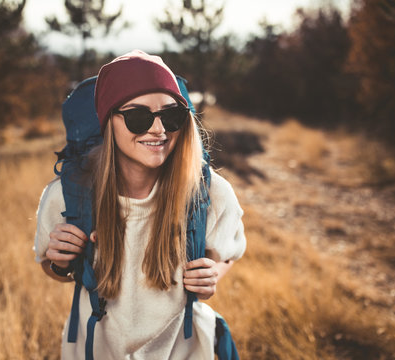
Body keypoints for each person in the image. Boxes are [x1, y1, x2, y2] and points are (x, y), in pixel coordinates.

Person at [34, 50, 246, 359]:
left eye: (172, 115)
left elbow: (229, 253)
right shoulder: (68, 196)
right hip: (96, 349)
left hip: (181, 350)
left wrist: (213, 274)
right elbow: (49, 266)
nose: (159, 130)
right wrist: (59, 262)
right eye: (138, 117)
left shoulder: (210, 193)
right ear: (109, 121)